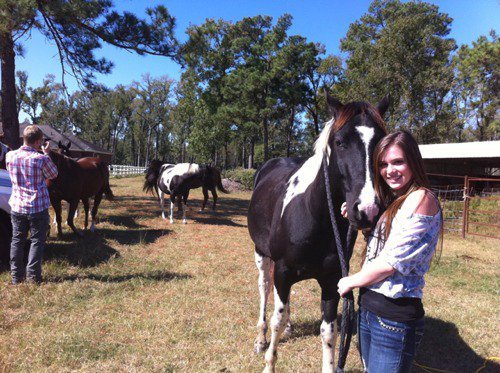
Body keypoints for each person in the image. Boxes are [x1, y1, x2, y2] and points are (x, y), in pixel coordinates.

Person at [337, 130, 442, 373]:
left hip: (393, 318)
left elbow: (390, 262)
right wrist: (359, 222)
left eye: (398, 162)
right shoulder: (398, 200)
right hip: (371, 308)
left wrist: (350, 281)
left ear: (413, 161)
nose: (389, 170)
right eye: (383, 164)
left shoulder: (421, 198)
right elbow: (382, 244)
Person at [5, 125, 58, 284]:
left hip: (17, 206)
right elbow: (53, 174)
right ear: (37, 141)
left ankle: (16, 276)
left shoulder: (10, 156)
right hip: (37, 207)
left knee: (17, 240)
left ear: (24, 138)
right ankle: (33, 277)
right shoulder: (41, 158)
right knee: (36, 241)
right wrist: (47, 154)